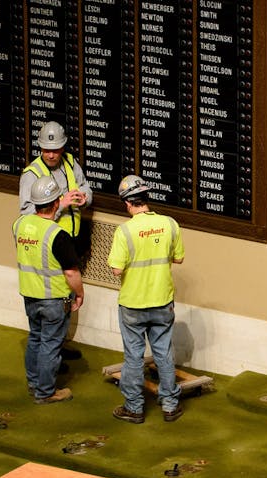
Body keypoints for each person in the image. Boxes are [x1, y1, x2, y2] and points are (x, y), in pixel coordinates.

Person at [107, 175, 185, 423]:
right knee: (163, 352)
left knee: (134, 356)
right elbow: (179, 258)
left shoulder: (124, 231)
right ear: (146, 199)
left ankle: (134, 408)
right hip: (162, 300)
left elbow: (117, 269)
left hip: (133, 304)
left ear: (127, 204)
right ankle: (170, 406)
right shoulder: (170, 224)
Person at [20, 121, 92, 359]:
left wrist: (84, 198)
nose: (50, 154)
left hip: (71, 238)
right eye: (46, 149)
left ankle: (57, 345)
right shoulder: (32, 174)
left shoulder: (71, 162)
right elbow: (27, 214)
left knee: (66, 295)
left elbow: (84, 186)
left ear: (63, 147)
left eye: (55, 149)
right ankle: (52, 352)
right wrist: (60, 205)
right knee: (54, 296)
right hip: (49, 243)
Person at [15, 175, 84, 404]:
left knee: (35, 338)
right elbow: (71, 273)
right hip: (54, 298)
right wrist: (80, 294)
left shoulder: (19, 225)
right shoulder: (58, 235)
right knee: (51, 344)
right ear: (57, 203)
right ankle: (46, 392)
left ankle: (34, 384)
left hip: (30, 296)